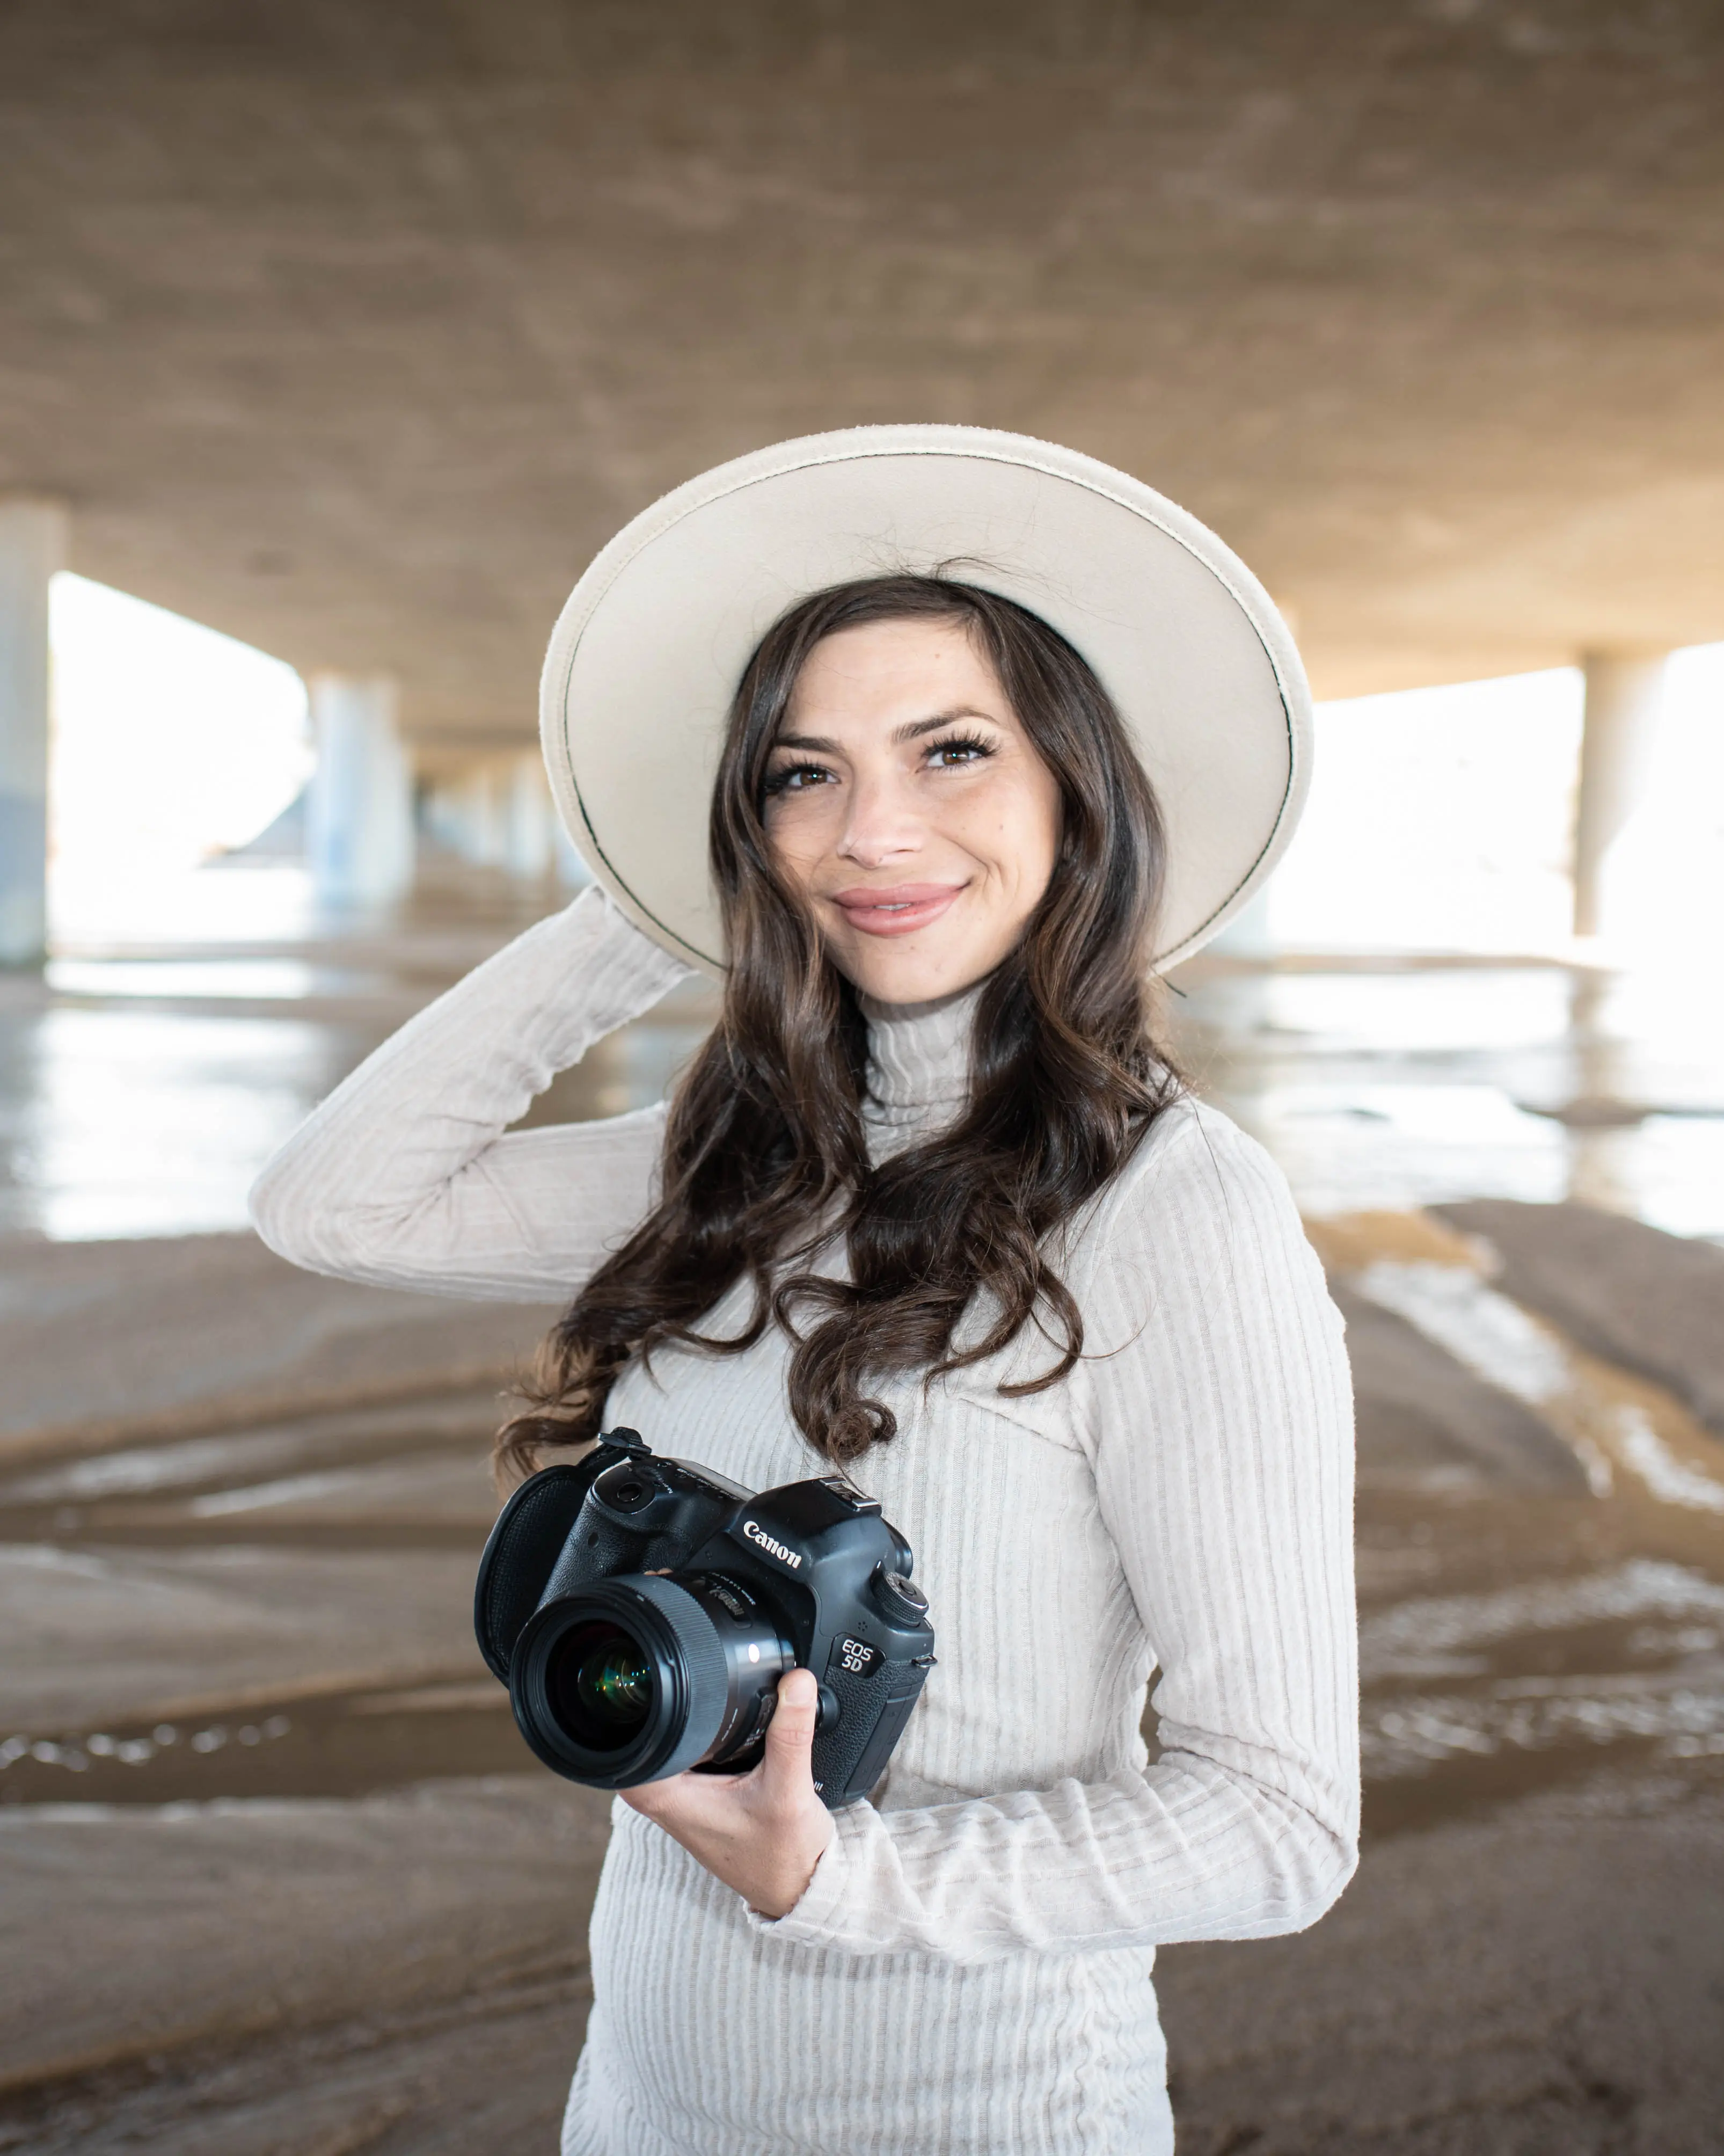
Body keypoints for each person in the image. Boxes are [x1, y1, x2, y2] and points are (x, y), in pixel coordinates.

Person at [252, 428, 1357, 2156]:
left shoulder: (1173, 1213)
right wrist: (641, 899)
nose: (871, 833)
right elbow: (335, 1201)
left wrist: (842, 1879)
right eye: (799, 775)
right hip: (641, 2105)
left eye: (953, 753)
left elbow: (1278, 1823)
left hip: (986, 2119)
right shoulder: (741, 1153)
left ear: (1080, 793)